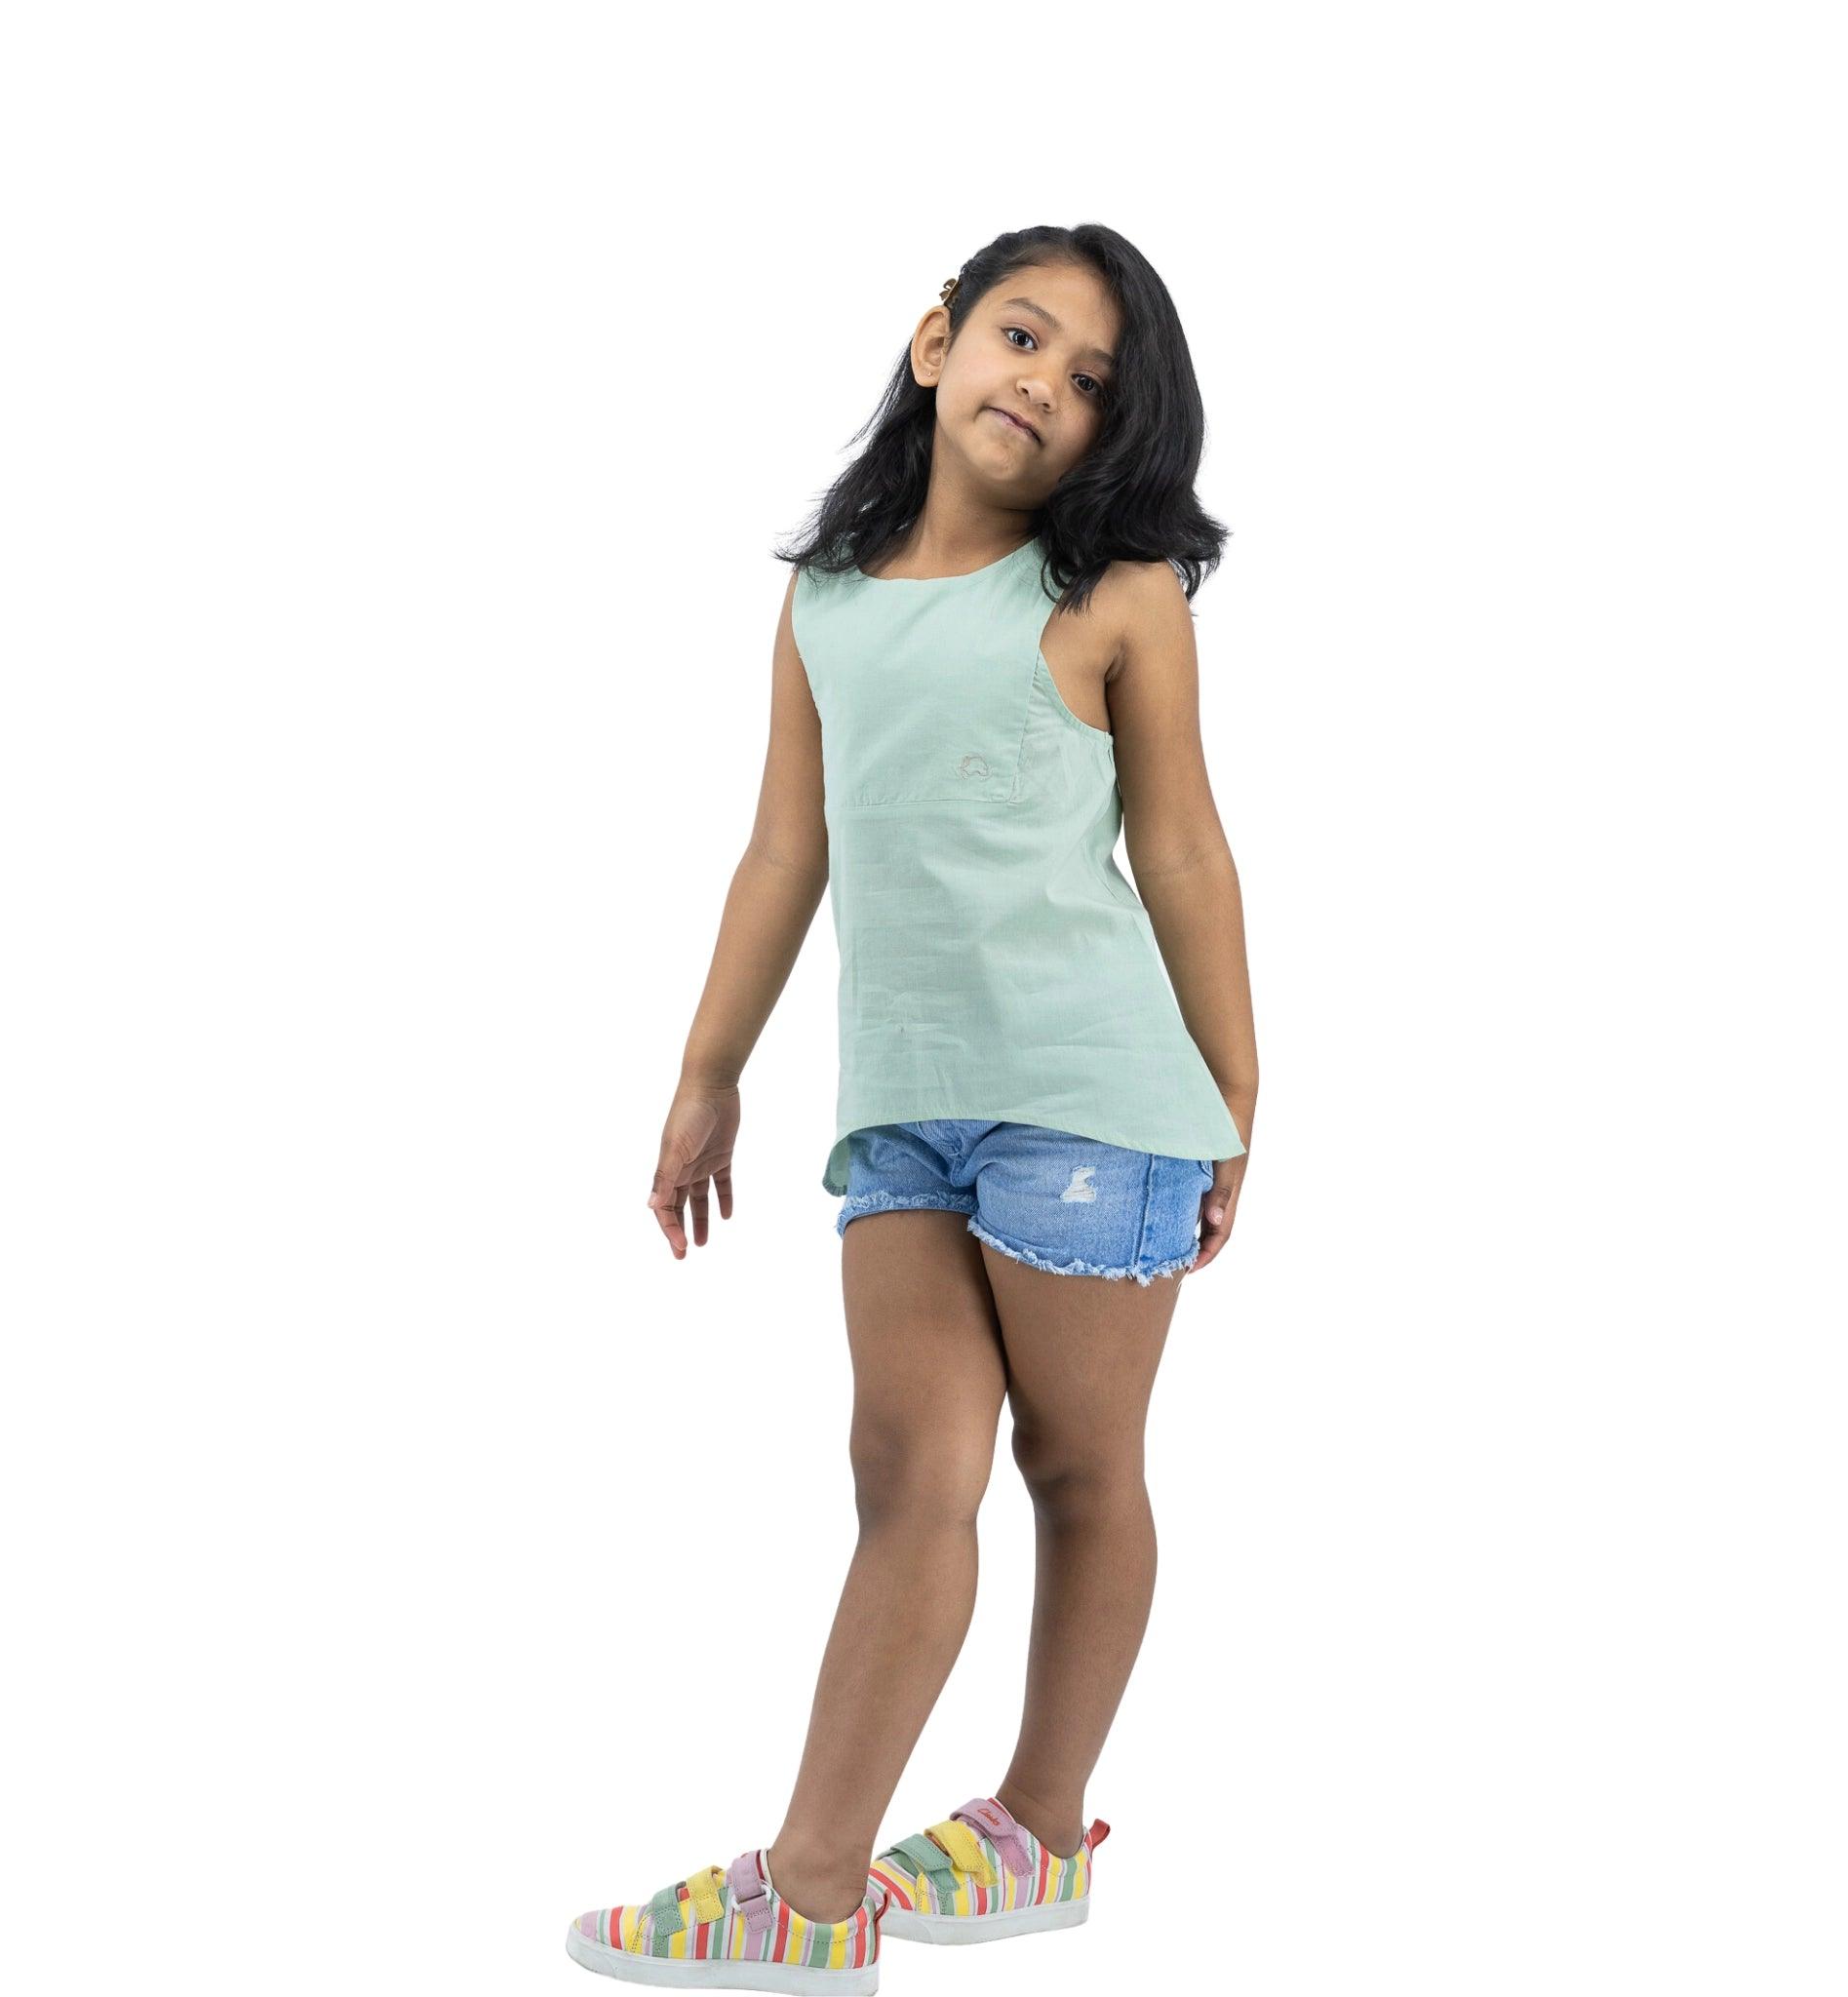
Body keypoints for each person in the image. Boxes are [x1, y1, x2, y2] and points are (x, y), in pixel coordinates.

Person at [568, 222, 1259, 1992]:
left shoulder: (1117, 598)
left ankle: (1034, 1824)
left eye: (1094, 379)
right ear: (938, 339)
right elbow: (784, 848)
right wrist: (707, 1071)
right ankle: (816, 1900)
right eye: (1023, 336)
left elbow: (1178, 845)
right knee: (905, 1474)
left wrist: (1237, 1086)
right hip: (901, 1115)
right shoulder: (825, 598)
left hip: (1096, 1106)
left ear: (1117, 431)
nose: (1046, 380)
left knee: (1079, 1467)